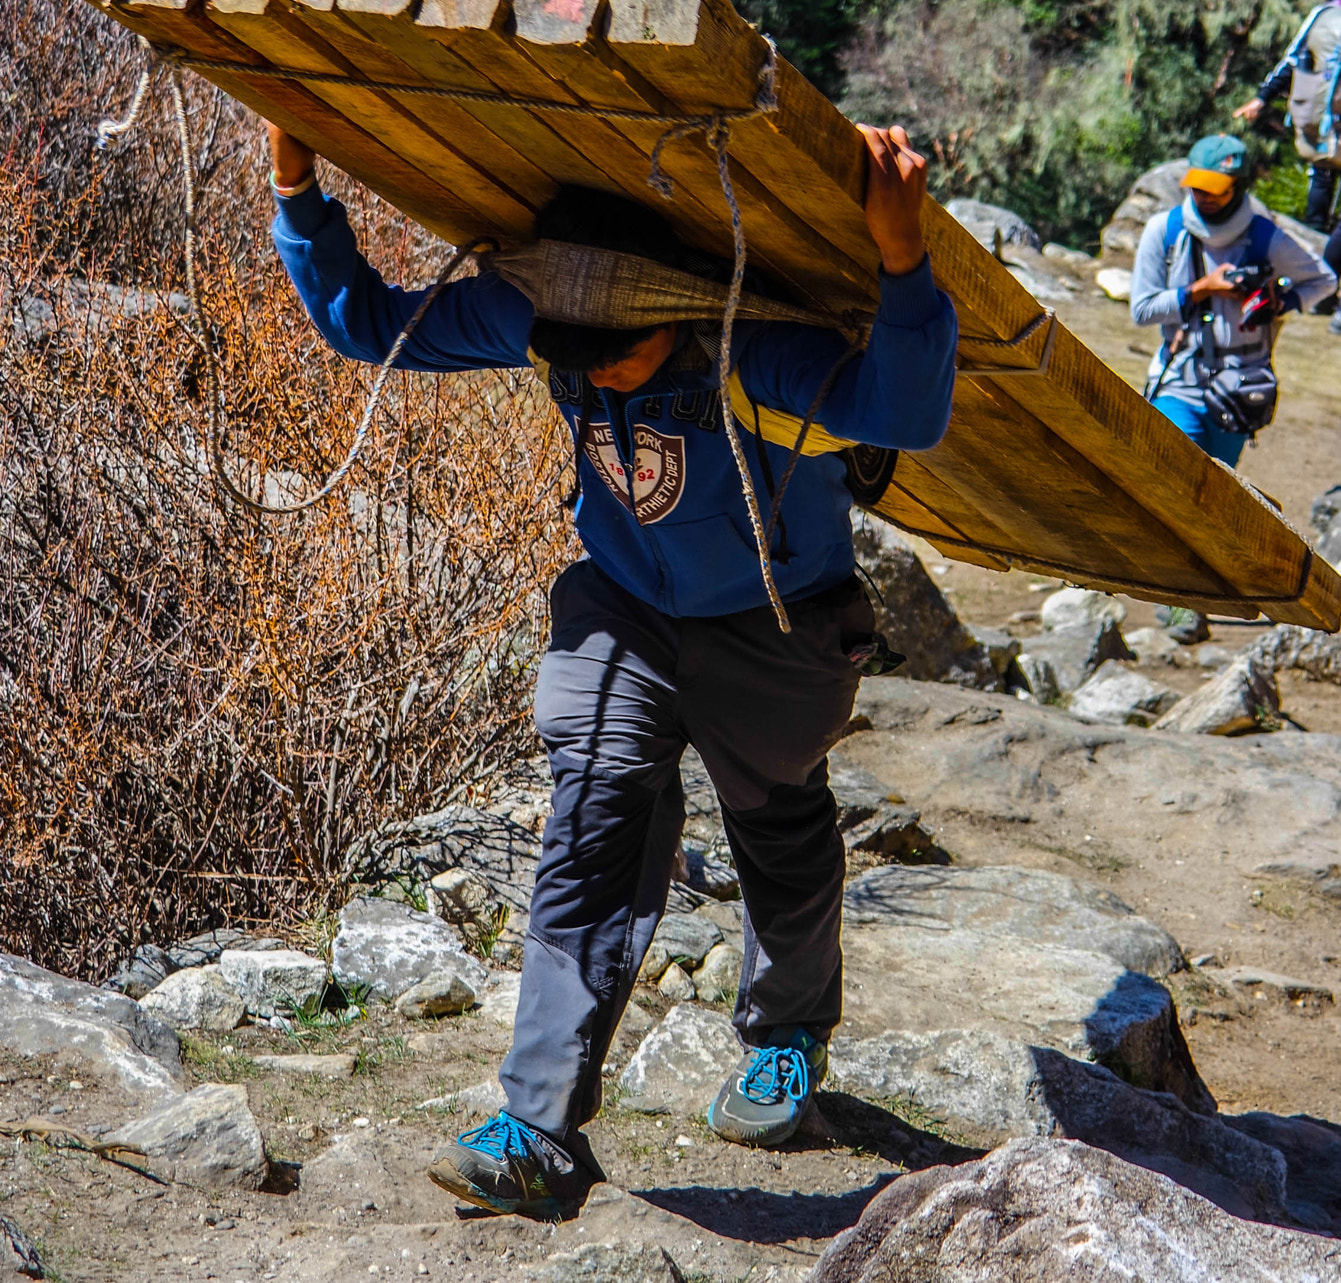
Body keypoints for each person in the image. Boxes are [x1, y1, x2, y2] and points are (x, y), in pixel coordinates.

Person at [266, 116, 957, 1220]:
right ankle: (538, 1126)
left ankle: (784, 1034)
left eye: (612, 355)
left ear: (669, 312)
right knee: (591, 815)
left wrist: (902, 253)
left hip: (777, 627)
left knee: (775, 818)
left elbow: (910, 409)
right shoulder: (546, 316)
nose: (582, 369)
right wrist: (297, 187)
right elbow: (371, 324)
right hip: (621, 611)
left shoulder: (756, 348)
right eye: (565, 355)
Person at [1131, 133, 1335, 467]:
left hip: (1241, 388)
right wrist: (1202, 289)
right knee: (1169, 471)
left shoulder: (1265, 235)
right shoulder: (1164, 231)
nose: (1204, 196)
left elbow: (1324, 280)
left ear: (1238, 187)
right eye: (1198, 186)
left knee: (1215, 491)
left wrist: (1280, 302)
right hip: (1179, 382)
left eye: (1215, 188)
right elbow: (1142, 310)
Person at [1236, 0, 1341, 242]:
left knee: (1321, 177)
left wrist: (1262, 97)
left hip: (1324, 116)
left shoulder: (1324, 14)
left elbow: (1292, 60)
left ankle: (1317, 247)